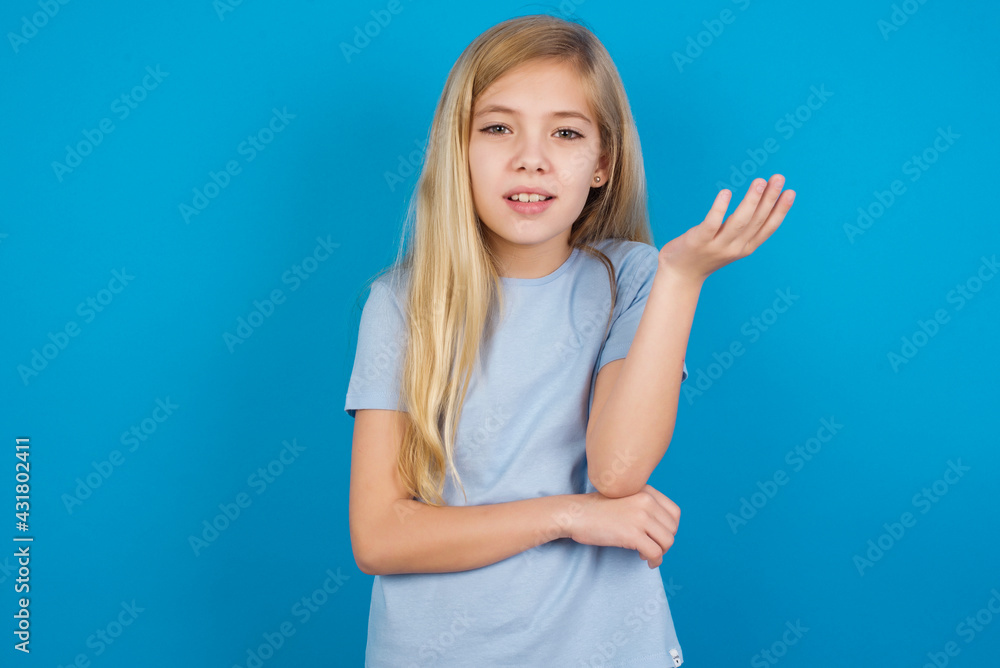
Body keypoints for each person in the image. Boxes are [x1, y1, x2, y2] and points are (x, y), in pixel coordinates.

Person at [343, 13, 795, 667]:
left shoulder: (632, 277)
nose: (532, 157)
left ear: (602, 163)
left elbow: (617, 472)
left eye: (566, 132)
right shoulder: (401, 303)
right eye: (498, 128)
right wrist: (567, 515)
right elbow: (379, 536)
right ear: (457, 150)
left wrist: (681, 278)